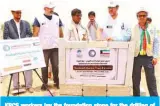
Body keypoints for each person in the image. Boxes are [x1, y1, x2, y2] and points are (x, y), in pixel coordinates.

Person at [33, 1, 63, 90]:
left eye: (52, 8)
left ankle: (57, 82)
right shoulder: (38, 18)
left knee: (56, 66)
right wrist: (33, 46)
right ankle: (44, 83)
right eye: (49, 8)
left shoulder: (57, 18)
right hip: (44, 47)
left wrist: (62, 43)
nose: (51, 9)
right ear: (44, 8)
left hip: (55, 47)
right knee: (44, 67)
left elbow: (61, 32)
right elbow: (35, 33)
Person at [3, 7, 33, 93]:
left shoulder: (26, 23)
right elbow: (6, 36)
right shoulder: (7, 24)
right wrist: (15, 43)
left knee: (28, 67)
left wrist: (22, 42)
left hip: (25, 49)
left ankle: (29, 86)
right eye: (17, 13)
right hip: (13, 50)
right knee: (15, 68)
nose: (19, 14)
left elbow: (29, 34)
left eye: (20, 13)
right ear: (12, 13)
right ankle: (16, 87)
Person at [132, 7, 159, 96]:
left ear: (147, 16)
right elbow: (125, 38)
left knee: (151, 80)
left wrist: (155, 56)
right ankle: (136, 100)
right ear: (137, 17)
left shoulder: (152, 28)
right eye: (140, 16)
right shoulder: (133, 28)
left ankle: (154, 100)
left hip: (149, 57)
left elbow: (156, 42)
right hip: (136, 57)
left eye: (144, 15)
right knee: (135, 81)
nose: (142, 17)